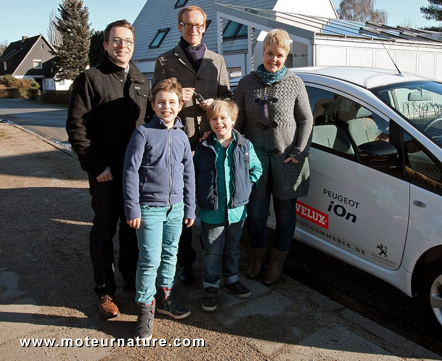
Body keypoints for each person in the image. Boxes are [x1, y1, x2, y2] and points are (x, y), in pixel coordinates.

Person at [66, 19, 150, 320]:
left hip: (135, 174)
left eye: (127, 41)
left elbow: (149, 124)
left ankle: (131, 278)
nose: (122, 46)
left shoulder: (140, 79)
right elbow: (76, 127)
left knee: (132, 227)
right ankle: (104, 290)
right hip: (105, 172)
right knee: (104, 229)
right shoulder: (91, 79)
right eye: (116, 40)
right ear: (105, 44)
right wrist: (96, 165)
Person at [153, 5, 232, 285]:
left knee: (210, 205)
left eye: (199, 25)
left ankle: (217, 262)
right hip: (179, 144)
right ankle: (184, 264)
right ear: (179, 26)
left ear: (205, 27)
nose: (193, 29)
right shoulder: (164, 62)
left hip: (211, 145)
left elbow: (229, 102)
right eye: (187, 24)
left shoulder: (217, 61)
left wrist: (217, 104)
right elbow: (156, 103)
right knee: (179, 207)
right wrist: (181, 100)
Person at [234, 28, 312, 286]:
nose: (274, 59)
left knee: (285, 215)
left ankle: (276, 264)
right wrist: (242, 154)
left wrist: (299, 151)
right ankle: (258, 258)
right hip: (255, 163)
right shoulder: (246, 83)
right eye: (270, 53)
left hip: (287, 161)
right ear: (262, 52)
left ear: (286, 55)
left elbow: (306, 119)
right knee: (255, 214)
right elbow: (238, 123)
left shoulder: (295, 82)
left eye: (279, 55)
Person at [122, 77, 196, 340]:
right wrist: (132, 208)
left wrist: (190, 208)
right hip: (149, 210)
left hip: (176, 209)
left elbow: (189, 172)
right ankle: (145, 309)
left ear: (180, 105)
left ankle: (166, 297)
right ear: (153, 105)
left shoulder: (182, 136)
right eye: (161, 102)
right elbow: (130, 171)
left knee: (170, 255)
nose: (167, 107)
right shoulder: (143, 133)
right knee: (149, 260)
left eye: (172, 102)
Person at [195, 100, 262, 311]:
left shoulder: (245, 145)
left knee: (233, 248)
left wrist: (246, 187)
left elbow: (256, 169)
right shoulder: (203, 146)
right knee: (212, 250)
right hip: (211, 211)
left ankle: (231, 279)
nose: (218, 123)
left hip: (236, 210)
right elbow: (193, 173)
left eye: (223, 118)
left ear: (233, 120)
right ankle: (211, 285)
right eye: (213, 119)